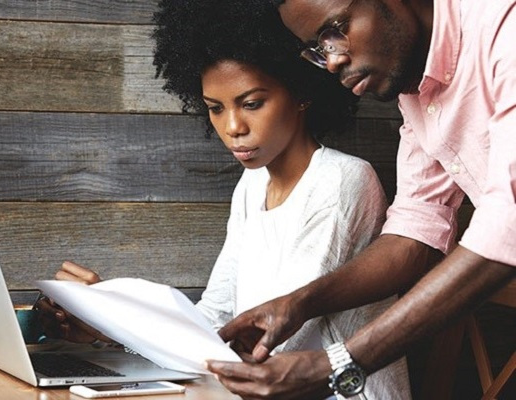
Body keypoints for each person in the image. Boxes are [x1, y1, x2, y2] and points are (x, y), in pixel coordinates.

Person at [37, 0, 412, 398]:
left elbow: (272, 346)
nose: (232, 127)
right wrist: (104, 327)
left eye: (251, 104)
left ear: (301, 92)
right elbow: (214, 319)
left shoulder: (341, 180)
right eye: (215, 109)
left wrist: (118, 318)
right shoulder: (252, 187)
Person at [204, 0, 516, 399]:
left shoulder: (502, 26)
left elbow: (507, 222)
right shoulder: (417, 91)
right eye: (319, 48)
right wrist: (299, 304)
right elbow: (414, 231)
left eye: (336, 29)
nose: (332, 62)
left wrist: (340, 362)